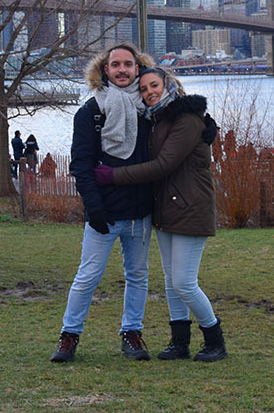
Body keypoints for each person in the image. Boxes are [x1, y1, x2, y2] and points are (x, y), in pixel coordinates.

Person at [95, 67, 226, 362]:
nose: (149, 92)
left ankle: (214, 338)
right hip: (166, 207)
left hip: (190, 207)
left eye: (154, 85)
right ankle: (180, 343)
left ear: (168, 85)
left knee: (184, 282)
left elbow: (164, 164)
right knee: (170, 281)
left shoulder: (186, 119)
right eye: (143, 89)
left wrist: (112, 176)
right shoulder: (155, 119)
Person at [51, 43, 156, 363]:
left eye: (128, 64)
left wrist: (205, 125)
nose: (122, 70)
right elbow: (81, 165)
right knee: (87, 277)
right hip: (104, 213)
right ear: (105, 70)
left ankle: (132, 334)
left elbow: (183, 125)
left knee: (138, 277)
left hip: (141, 212)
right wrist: (94, 207)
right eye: (116, 65)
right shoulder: (90, 111)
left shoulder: (152, 108)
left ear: (138, 69)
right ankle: (69, 336)